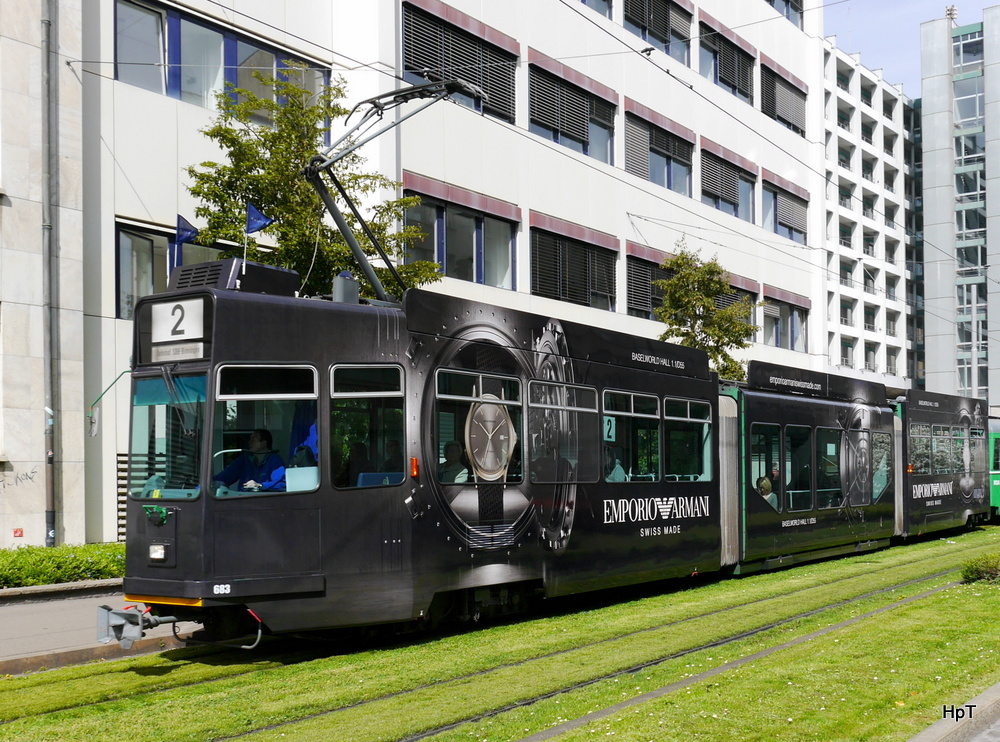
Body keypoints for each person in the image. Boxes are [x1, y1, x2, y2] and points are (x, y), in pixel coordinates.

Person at [214, 429, 285, 492]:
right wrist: (210, 482)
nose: (249, 442)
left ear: (264, 443)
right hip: (243, 500)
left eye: (253, 440)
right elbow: (226, 476)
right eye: (250, 439)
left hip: (265, 502)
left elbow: (281, 483)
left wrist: (260, 485)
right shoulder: (245, 459)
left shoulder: (274, 459)